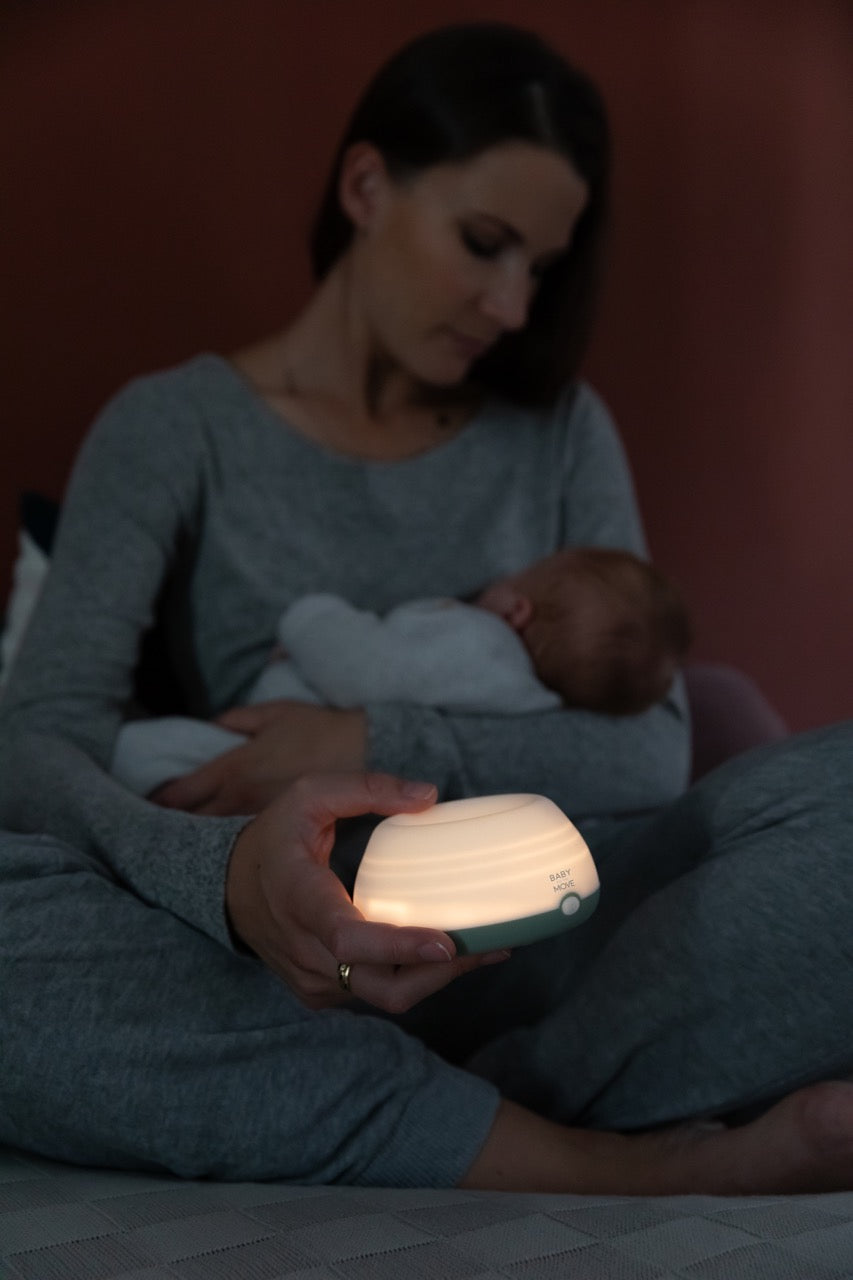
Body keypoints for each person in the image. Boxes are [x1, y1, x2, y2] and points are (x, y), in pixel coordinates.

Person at [1, 21, 852, 1195]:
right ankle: (589, 1152)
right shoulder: (173, 428)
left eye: (539, 269)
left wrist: (368, 741)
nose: (512, 306)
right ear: (365, 185)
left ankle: (414, 1102)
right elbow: (39, 738)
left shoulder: (559, 432)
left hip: (561, 944)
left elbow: (653, 747)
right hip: (269, 954)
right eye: (484, 243)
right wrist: (232, 883)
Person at [110, 546, 692, 798]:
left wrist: (308, 617)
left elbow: (362, 670)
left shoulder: (478, 644)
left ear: (517, 609)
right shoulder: (531, 703)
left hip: (262, 745)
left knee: (137, 751)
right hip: (319, 782)